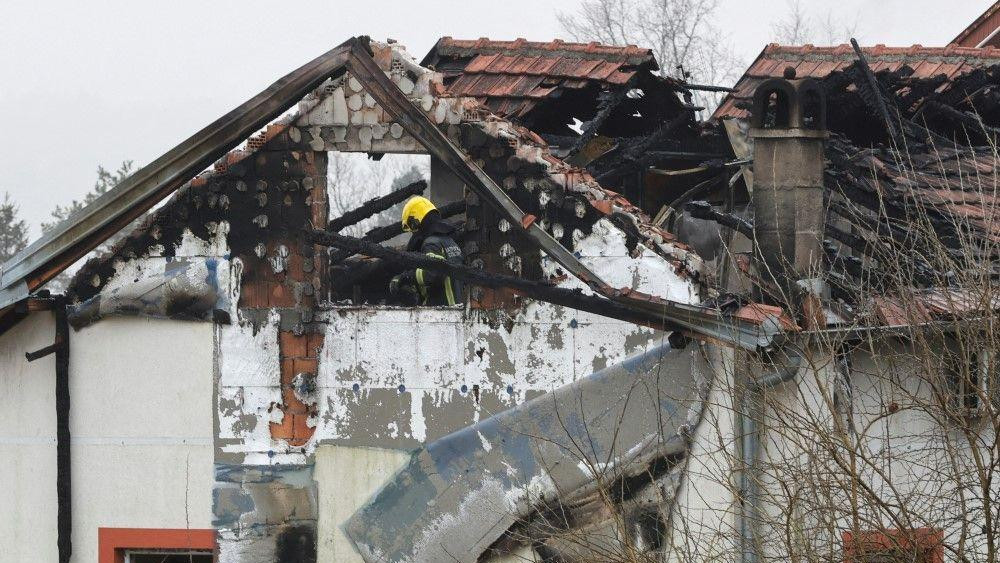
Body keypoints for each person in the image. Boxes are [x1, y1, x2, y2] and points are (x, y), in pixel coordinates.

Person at [389, 196, 464, 306]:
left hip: (442, 314)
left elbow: (433, 273)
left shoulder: (431, 243)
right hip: (455, 309)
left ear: (416, 221)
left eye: (412, 228)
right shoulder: (449, 241)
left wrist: (404, 278)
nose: (413, 234)